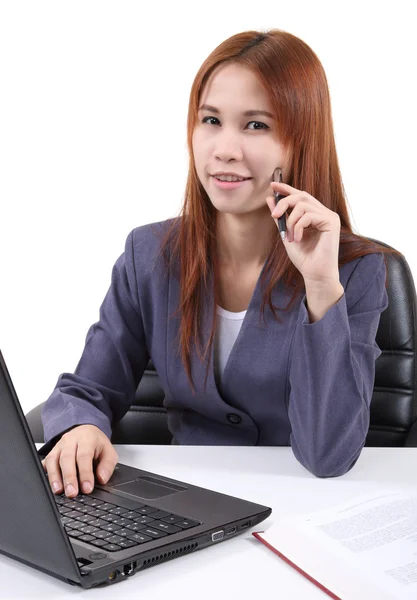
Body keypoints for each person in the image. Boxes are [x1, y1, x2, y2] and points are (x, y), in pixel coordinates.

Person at [40, 29, 401, 499]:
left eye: (256, 125)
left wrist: (319, 285)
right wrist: (80, 428)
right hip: (185, 504)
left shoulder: (353, 270)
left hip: (300, 505)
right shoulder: (149, 254)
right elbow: (87, 389)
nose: (224, 149)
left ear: (300, 142)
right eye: (211, 120)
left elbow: (328, 455)